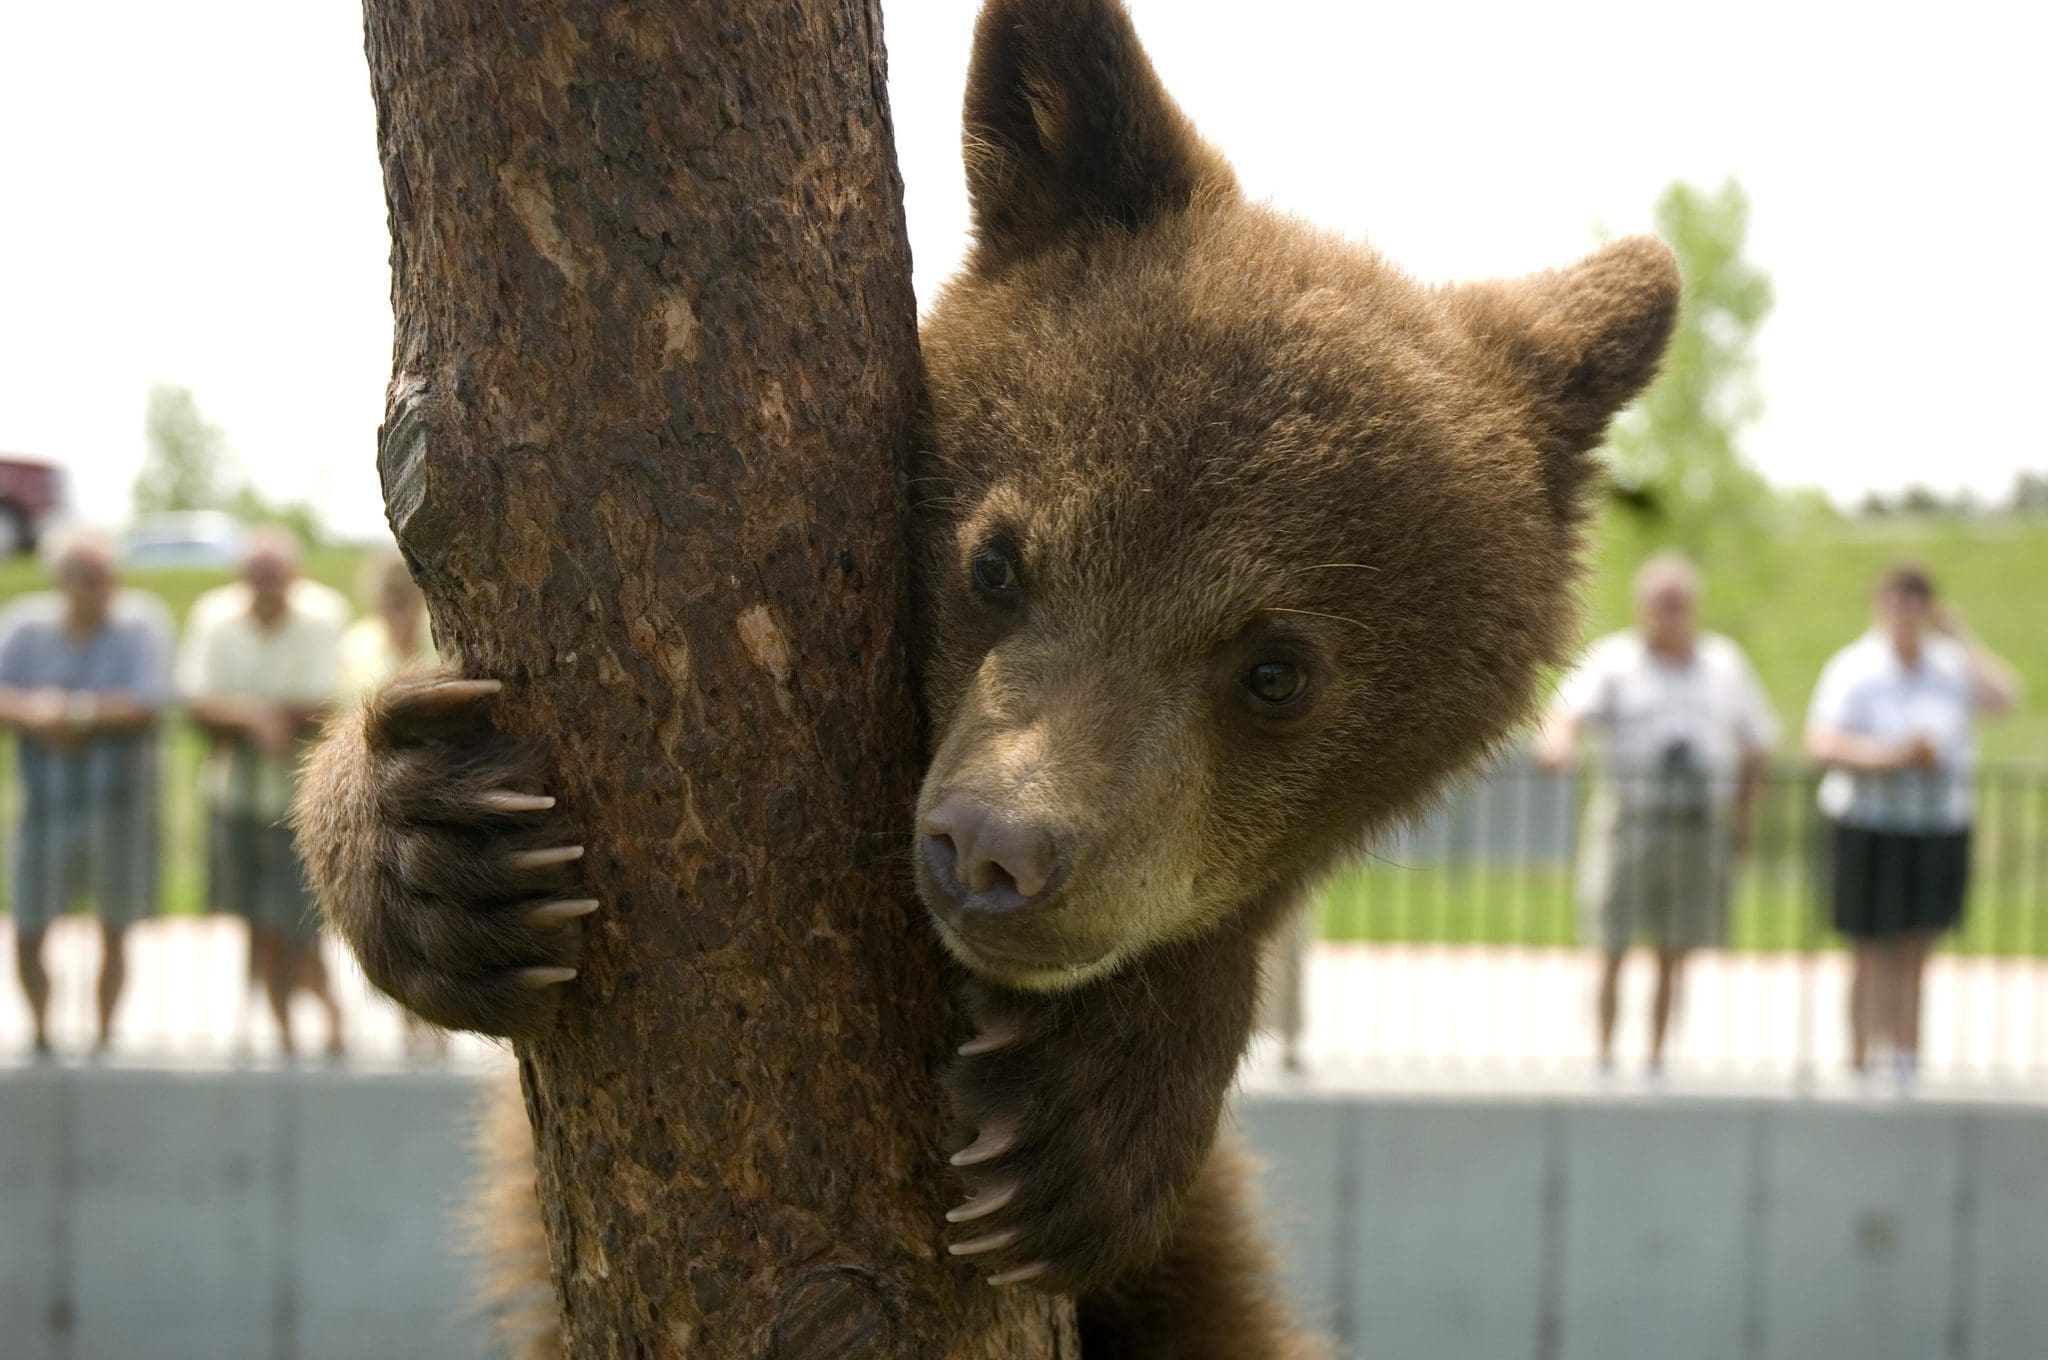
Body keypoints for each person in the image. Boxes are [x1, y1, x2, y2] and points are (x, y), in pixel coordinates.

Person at [1538, 554, 1777, 1077]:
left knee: (1675, 950)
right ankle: (1602, 1060)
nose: (1670, 613)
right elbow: (1565, 713)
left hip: (1697, 824)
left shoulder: (1724, 663)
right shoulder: (1614, 659)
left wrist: (1743, 818)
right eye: (1660, 603)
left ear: (1693, 607)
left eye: (1679, 603)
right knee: (1610, 943)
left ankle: (1655, 1061)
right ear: (1642, 606)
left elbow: (1758, 742)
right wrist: (1558, 744)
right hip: (1631, 822)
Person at [1806, 563, 2019, 1086]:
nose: (1906, 611)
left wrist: (1962, 637)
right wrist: (1891, 756)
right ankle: (1859, 1062)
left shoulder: (1951, 666)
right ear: (1879, 604)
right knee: (1867, 950)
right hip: (1868, 822)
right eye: (1897, 599)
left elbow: (2006, 699)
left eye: (1916, 599)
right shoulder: (1853, 667)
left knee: (1914, 952)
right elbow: (1821, 742)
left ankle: (1904, 1062)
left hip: (1934, 826)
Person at [0, 527, 173, 1056]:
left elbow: (151, 701)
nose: (97, 587)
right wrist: (36, 713)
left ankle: (102, 1037)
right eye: (85, 577)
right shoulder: (25, 626)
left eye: (104, 577)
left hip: (120, 805)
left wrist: (73, 713)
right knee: (29, 927)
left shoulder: (142, 624)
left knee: (116, 926)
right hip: (46, 806)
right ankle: (43, 1034)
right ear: (62, 580)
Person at [179, 526, 350, 1058]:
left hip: (301, 805)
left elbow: (328, 702)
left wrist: (269, 718)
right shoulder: (214, 618)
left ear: (292, 575)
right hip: (235, 798)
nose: (266, 583)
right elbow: (195, 701)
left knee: (300, 925)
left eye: (274, 573)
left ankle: (330, 1022)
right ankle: (282, 1033)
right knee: (256, 925)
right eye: (257, 573)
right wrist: (257, 719)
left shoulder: (323, 615)